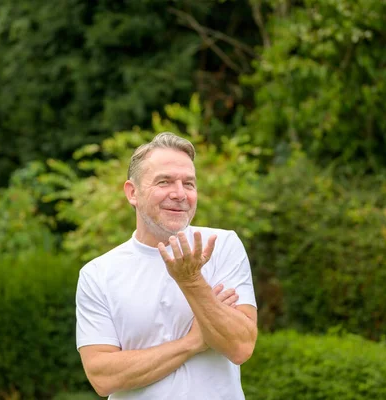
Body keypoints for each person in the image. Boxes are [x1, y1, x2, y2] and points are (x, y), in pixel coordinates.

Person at [75, 132, 258, 399]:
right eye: (164, 182)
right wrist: (192, 342)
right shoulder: (98, 274)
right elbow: (103, 377)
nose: (180, 194)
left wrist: (191, 281)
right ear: (132, 192)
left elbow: (240, 346)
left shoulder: (222, 245)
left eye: (189, 184)